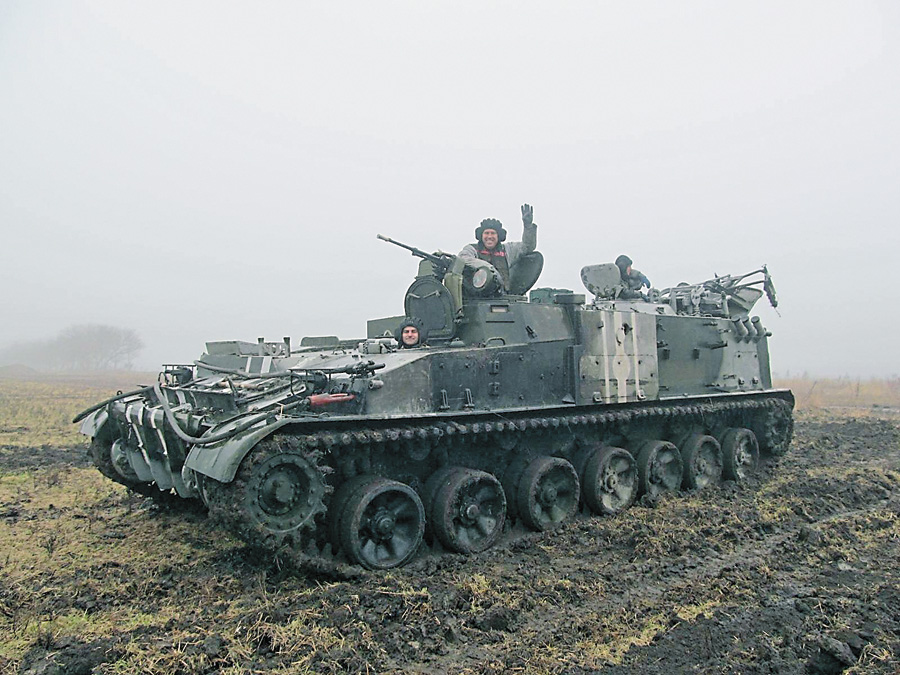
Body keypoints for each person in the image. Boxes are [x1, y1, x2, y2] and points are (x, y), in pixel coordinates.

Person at [458, 204, 538, 294]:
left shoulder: (507, 250)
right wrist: (488, 268)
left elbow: (527, 246)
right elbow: (463, 258)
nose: (489, 236)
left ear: (498, 235)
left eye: (493, 233)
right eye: (486, 233)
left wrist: (528, 226)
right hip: (477, 298)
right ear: (481, 235)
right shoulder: (472, 249)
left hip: (503, 298)